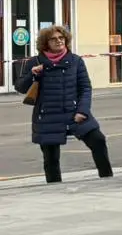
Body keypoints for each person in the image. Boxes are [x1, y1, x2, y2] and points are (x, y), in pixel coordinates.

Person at [27, 25, 112, 182]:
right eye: (54, 39)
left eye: (61, 38)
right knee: (50, 156)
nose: (59, 41)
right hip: (48, 115)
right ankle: (54, 188)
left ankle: (107, 178)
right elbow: (21, 87)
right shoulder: (35, 62)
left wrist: (83, 111)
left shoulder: (75, 61)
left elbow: (85, 88)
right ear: (46, 43)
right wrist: (32, 75)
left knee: (98, 140)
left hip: (74, 112)